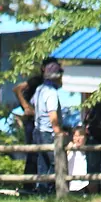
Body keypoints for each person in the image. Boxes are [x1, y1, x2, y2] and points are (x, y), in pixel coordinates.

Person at [31, 59, 64, 189]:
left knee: (42, 163)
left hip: (38, 130)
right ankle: (52, 190)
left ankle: (42, 190)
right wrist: (58, 132)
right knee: (56, 162)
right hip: (48, 132)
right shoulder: (51, 93)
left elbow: (34, 105)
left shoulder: (40, 89)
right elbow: (53, 116)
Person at [12, 62, 49, 178]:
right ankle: (29, 183)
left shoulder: (51, 84)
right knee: (32, 152)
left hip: (43, 121)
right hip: (31, 120)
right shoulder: (36, 81)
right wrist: (26, 106)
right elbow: (17, 89)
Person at [66, 126, 91, 193]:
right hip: (71, 185)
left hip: (84, 184)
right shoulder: (70, 148)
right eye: (75, 136)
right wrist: (69, 149)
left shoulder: (88, 150)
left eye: (80, 136)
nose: (77, 139)